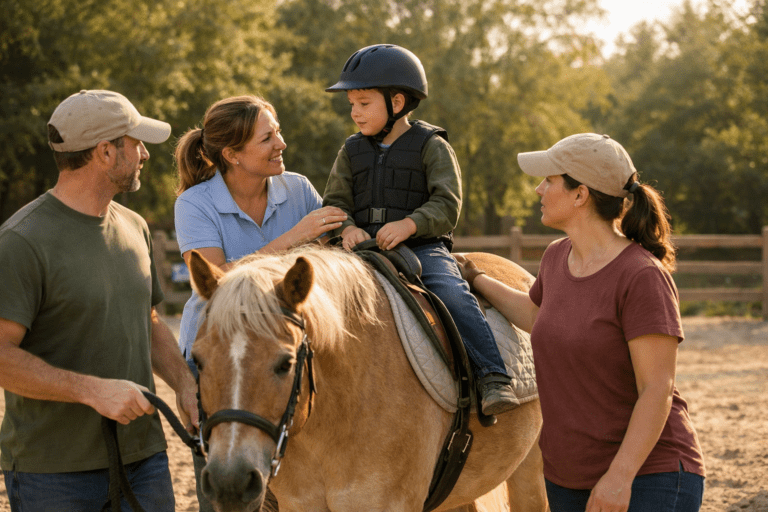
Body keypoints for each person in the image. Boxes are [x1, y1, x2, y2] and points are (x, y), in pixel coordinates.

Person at [457, 133, 706, 511]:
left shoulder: (641, 276)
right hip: (567, 478)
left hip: (646, 476)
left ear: (580, 194)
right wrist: (476, 278)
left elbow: (657, 388)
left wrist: (619, 478)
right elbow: (538, 317)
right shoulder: (557, 257)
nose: (539, 189)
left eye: (549, 180)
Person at [0, 89, 198, 511]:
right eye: (136, 143)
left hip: (145, 460)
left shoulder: (135, 226)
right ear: (105, 153)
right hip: (53, 473)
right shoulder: (21, 242)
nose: (144, 153)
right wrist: (92, 391)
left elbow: (146, 320)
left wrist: (185, 385)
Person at [322, 44, 517, 416]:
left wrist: (410, 223)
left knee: (452, 292)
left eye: (363, 103)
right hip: (360, 250)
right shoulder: (350, 151)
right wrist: (346, 228)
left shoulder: (432, 146)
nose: (354, 112)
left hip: (421, 249)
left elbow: (447, 204)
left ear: (397, 102)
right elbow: (335, 202)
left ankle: (493, 375)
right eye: (351, 104)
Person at [174, 95, 346, 510]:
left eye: (278, 131)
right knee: (224, 484)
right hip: (221, 356)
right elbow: (216, 276)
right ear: (232, 154)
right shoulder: (194, 204)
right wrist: (295, 237)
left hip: (279, 355)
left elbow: (333, 261)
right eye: (267, 138)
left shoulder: (298, 189)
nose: (280, 144)